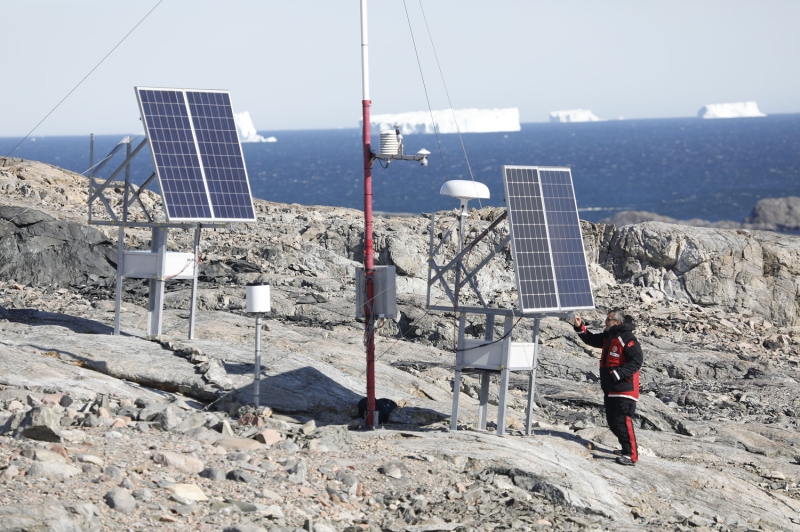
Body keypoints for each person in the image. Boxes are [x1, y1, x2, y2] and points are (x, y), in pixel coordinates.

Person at [573, 309, 643, 466]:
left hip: (625, 389)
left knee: (623, 420)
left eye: (608, 319)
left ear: (617, 322)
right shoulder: (609, 337)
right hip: (611, 389)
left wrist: (618, 374)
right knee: (613, 422)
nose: (605, 322)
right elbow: (591, 339)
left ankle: (631, 455)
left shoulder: (628, 339)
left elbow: (637, 360)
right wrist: (580, 327)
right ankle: (626, 448)